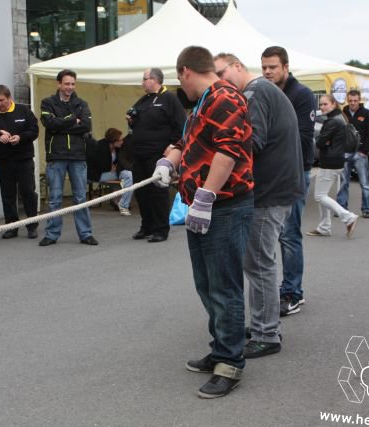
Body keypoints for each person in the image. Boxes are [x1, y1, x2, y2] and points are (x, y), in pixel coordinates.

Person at [154, 46, 254, 399]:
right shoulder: (204, 102)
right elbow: (187, 142)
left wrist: (206, 195)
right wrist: (169, 161)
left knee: (224, 286)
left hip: (223, 207)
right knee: (207, 283)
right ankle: (221, 347)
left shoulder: (225, 97)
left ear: (185, 71)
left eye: (179, 80)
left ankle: (230, 362)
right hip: (205, 206)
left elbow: (228, 151)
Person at [213, 53, 303, 358]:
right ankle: (265, 324)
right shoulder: (261, 91)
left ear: (237, 66)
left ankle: (267, 333)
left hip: (270, 191)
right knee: (258, 262)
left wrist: (216, 166)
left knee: (259, 263)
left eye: (221, 73)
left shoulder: (254, 93)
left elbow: (251, 143)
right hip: (277, 188)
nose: (219, 82)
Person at [261, 46, 315, 316]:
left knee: (289, 234)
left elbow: (304, 139)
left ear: (285, 67)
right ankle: (276, 292)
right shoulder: (262, 92)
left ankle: (293, 293)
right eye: (264, 67)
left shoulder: (301, 95)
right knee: (270, 236)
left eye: (272, 67)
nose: (268, 71)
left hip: (295, 172)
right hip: (270, 174)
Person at [39, 69, 98, 246]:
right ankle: (51, 234)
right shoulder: (47, 102)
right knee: (55, 197)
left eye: (72, 84)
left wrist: (62, 123)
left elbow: (86, 125)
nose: (70, 87)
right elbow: (49, 123)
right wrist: (73, 119)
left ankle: (85, 234)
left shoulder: (82, 103)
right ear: (59, 84)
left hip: (78, 156)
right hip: (56, 156)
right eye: (66, 84)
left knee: (80, 197)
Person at [128, 68, 186, 243]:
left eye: (145, 79)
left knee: (158, 192)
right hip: (139, 153)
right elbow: (136, 116)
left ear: (154, 80)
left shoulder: (169, 99)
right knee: (142, 192)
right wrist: (132, 119)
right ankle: (147, 226)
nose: (142, 82)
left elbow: (181, 125)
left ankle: (161, 229)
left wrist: (172, 147)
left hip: (158, 154)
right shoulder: (143, 99)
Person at [0, 84, 39, 240]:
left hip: (24, 160)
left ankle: (32, 226)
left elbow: (34, 130)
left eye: (1, 100)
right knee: (8, 194)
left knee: (28, 192)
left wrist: (20, 137)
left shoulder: (23, 111)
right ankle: (11, 226)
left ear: (9, 98)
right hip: (3, 160)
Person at [309, 94, 358, 238]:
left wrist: (323, 140)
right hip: (336, 160)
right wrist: (325, 141)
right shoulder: (339, 118)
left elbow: (319, 142)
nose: (322, 107)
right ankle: (324, 227)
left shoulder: (332, 122)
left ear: (333, 104)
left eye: (325, 104)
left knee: (319, 196)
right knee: (322, 194)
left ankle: (348, 216)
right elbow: (324, 141)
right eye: (321, 105)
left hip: (330, 161)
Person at [336, 89, 369, 218]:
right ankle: (341, 207)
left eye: (355, 101)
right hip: (344, 153)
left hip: (360, 153)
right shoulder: (342, 114)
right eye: (350, 100)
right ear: (347, 100)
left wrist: (364, 151)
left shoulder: (367, 114)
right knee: (343, 182)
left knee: (364, 183)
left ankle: (367, 208)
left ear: (359, 100)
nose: (353, 103)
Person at [86, 127, 134, 216]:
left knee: (129, 174)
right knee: (128, 176)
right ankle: (123, 205)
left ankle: (120, 202)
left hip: (110, 172)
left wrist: (114, 166)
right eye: (120, 140)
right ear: (113, 140)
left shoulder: (117, 148)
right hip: (98, 174)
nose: (122, 141)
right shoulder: (100, 146)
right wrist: (110, 167)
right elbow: (97, 164)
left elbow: (117, 161)